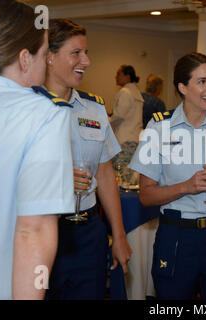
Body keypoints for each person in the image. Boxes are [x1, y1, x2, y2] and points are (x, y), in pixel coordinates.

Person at [0, 0, 74, 299]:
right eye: (44, 52)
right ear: (25, 58)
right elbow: (35, 230)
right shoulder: (43, 115)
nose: (47, 60)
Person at [129, 52, 206, 299]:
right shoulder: (158, 127)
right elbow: (146, 195)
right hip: (176, 234)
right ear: (182, 87)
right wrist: (187, 186)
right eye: (202, 82)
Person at [44, 19, 131, 300]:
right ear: (49, 56)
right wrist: (54, 180)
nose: (87, 61)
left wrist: (118, 235)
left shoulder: (93, 109)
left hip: (89, 233)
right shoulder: (25, 109)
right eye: (76, 53)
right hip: (44, 230)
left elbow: (104, 173)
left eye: (86, 52)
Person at [110, 65, 144, 173]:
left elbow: (119, 116)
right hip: (135, 140)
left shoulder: (125, 92)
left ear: (127, 76)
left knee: (119, 174)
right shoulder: (137, 93)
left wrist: (107, 125)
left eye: (119, 74)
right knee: (128, 175)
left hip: (123, 141)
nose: (116, 77)